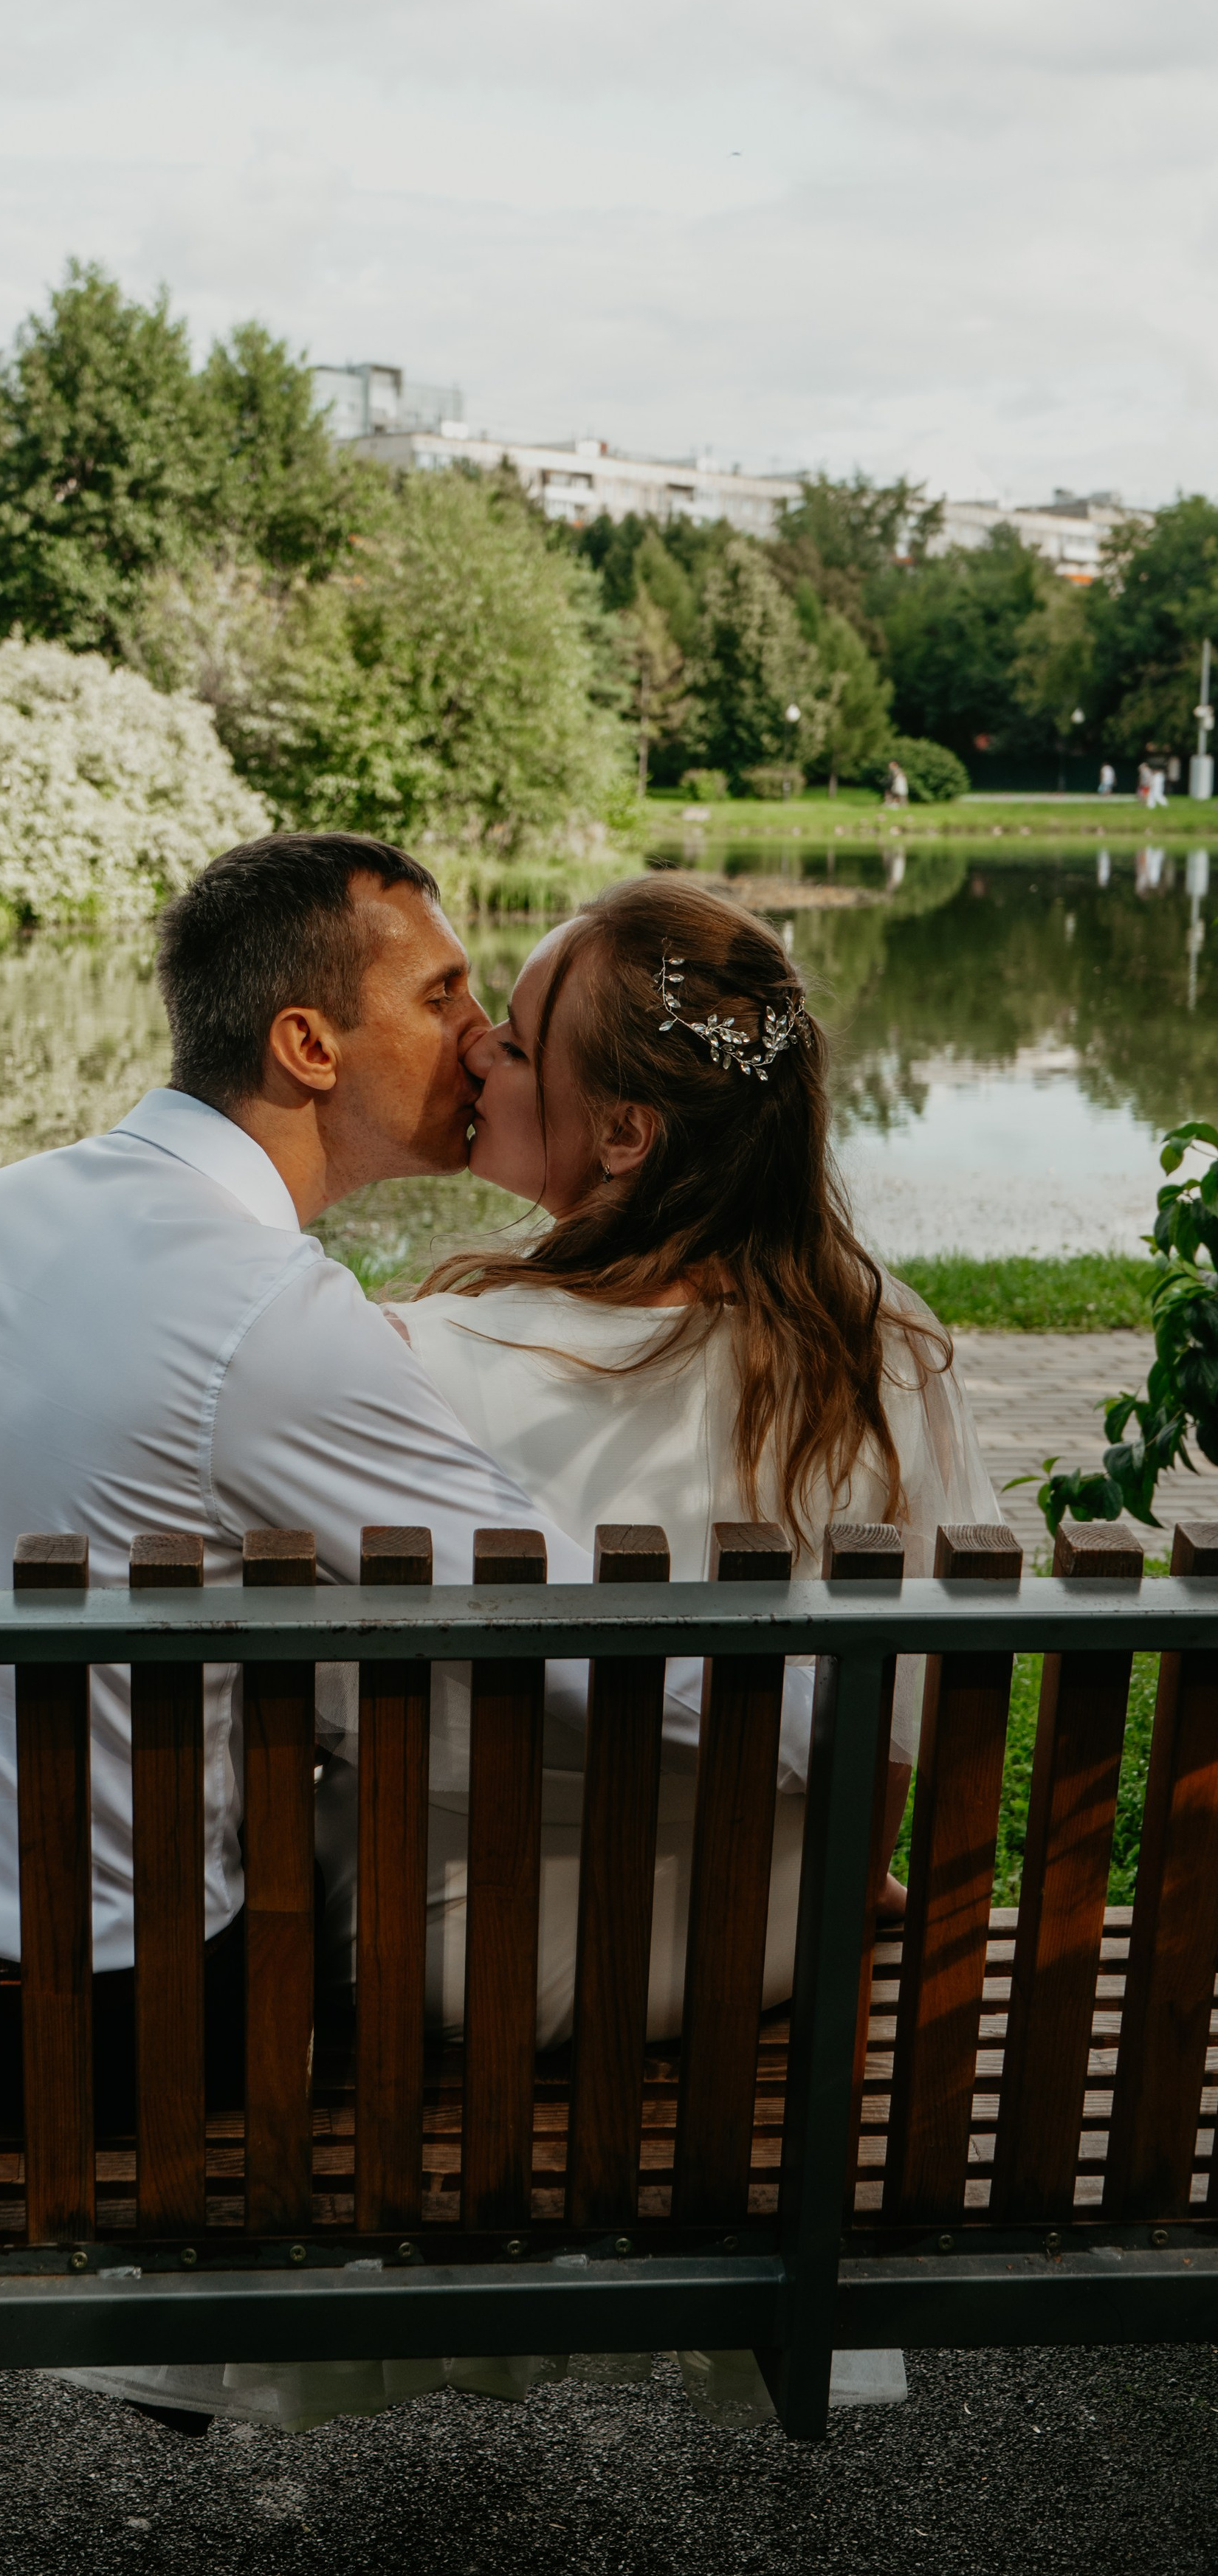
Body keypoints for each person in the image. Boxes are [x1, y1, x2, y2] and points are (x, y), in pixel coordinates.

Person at [0, 832, 600, 2429]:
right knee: (367, 1825)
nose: (482, 1035)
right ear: (307, 1045)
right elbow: (569, 1612)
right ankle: (184, 2343)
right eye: (442, 995)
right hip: (68, 2031)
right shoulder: (263, 1314)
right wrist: (822, 1753)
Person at [380, 873, 998, 2055]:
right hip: (764, 1930)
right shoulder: (882, 1344)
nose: (476, 1061)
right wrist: (856, 1884)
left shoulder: (420, 1355)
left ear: (625, 1132)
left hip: (467, 1949)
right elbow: (906, 1692)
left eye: (514, 1044)